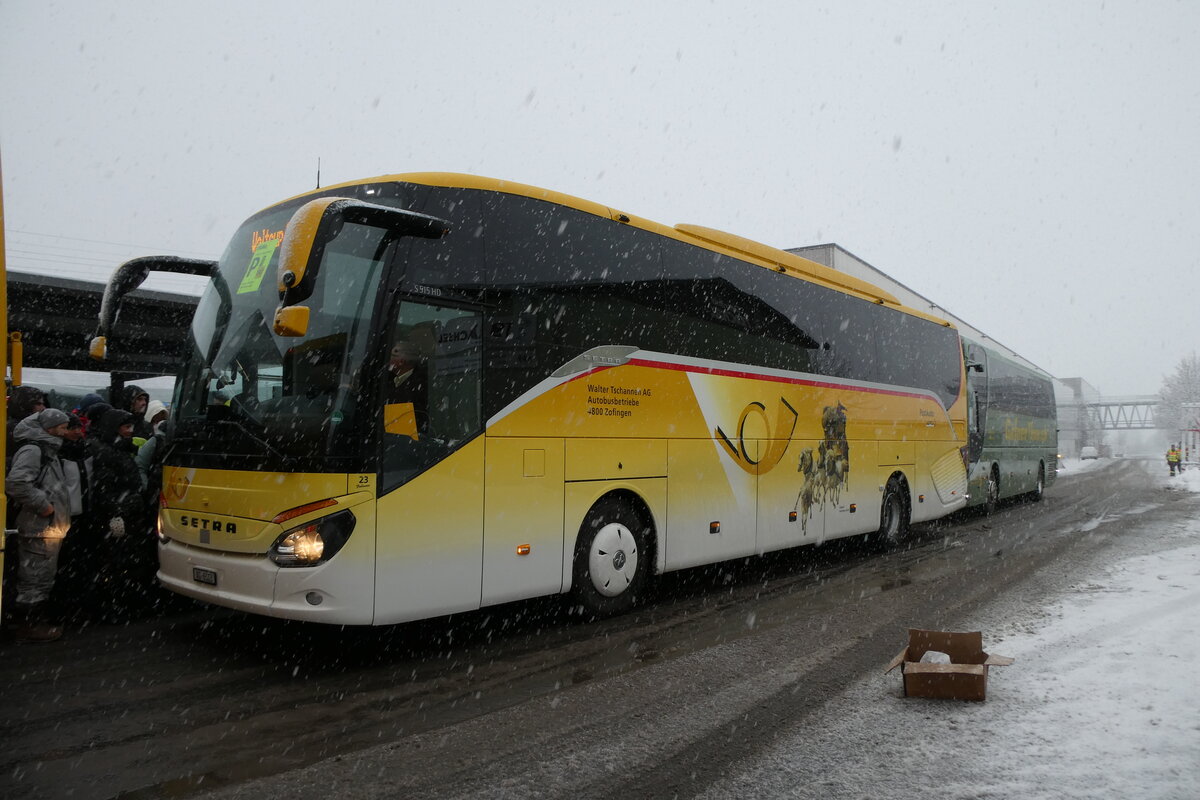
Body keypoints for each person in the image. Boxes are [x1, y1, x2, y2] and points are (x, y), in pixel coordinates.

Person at [4, 408, 72, 641]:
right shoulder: (34, 450)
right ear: (50, 428)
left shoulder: (46, 449)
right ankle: (28, 626)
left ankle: (32, 623)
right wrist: (46, 507)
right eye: (62, 427)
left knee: (40, 577)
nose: (65, 432)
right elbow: (16, 484)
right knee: (34, 578)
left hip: (45, 527)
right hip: (39, 527)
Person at [87, 408, 150, 606]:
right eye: (126, 426)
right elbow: (104, 488)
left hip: (128, 512)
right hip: (119, 515)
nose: (130, 430)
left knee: (125, 557)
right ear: (114, 428)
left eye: (131, 426)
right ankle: (115, 599)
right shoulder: (107, 452)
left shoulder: (121, 448)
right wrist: (116, 512)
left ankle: (122, 597)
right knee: (117, 558)